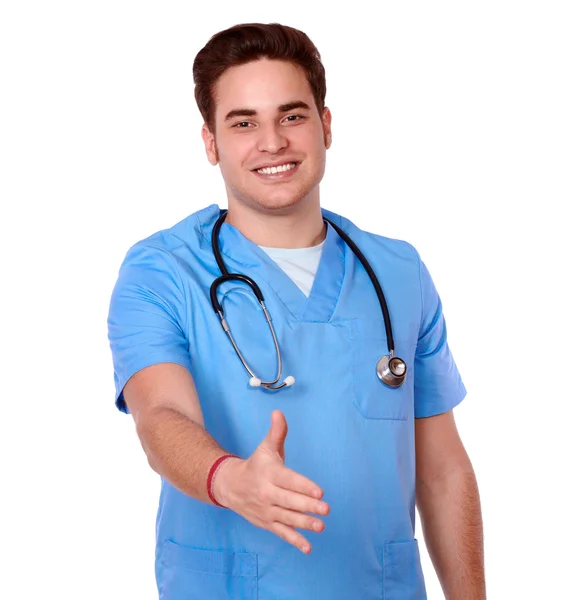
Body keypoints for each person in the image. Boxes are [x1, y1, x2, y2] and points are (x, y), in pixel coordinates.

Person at [107, 22, 486, 600]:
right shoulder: (161, 272)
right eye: (243, 123)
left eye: (292, 115)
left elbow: (442, 470)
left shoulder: (399, 273)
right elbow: (159, 418)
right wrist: (229, 479)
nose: (273, 142)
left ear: (326, 125)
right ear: (210, 142)